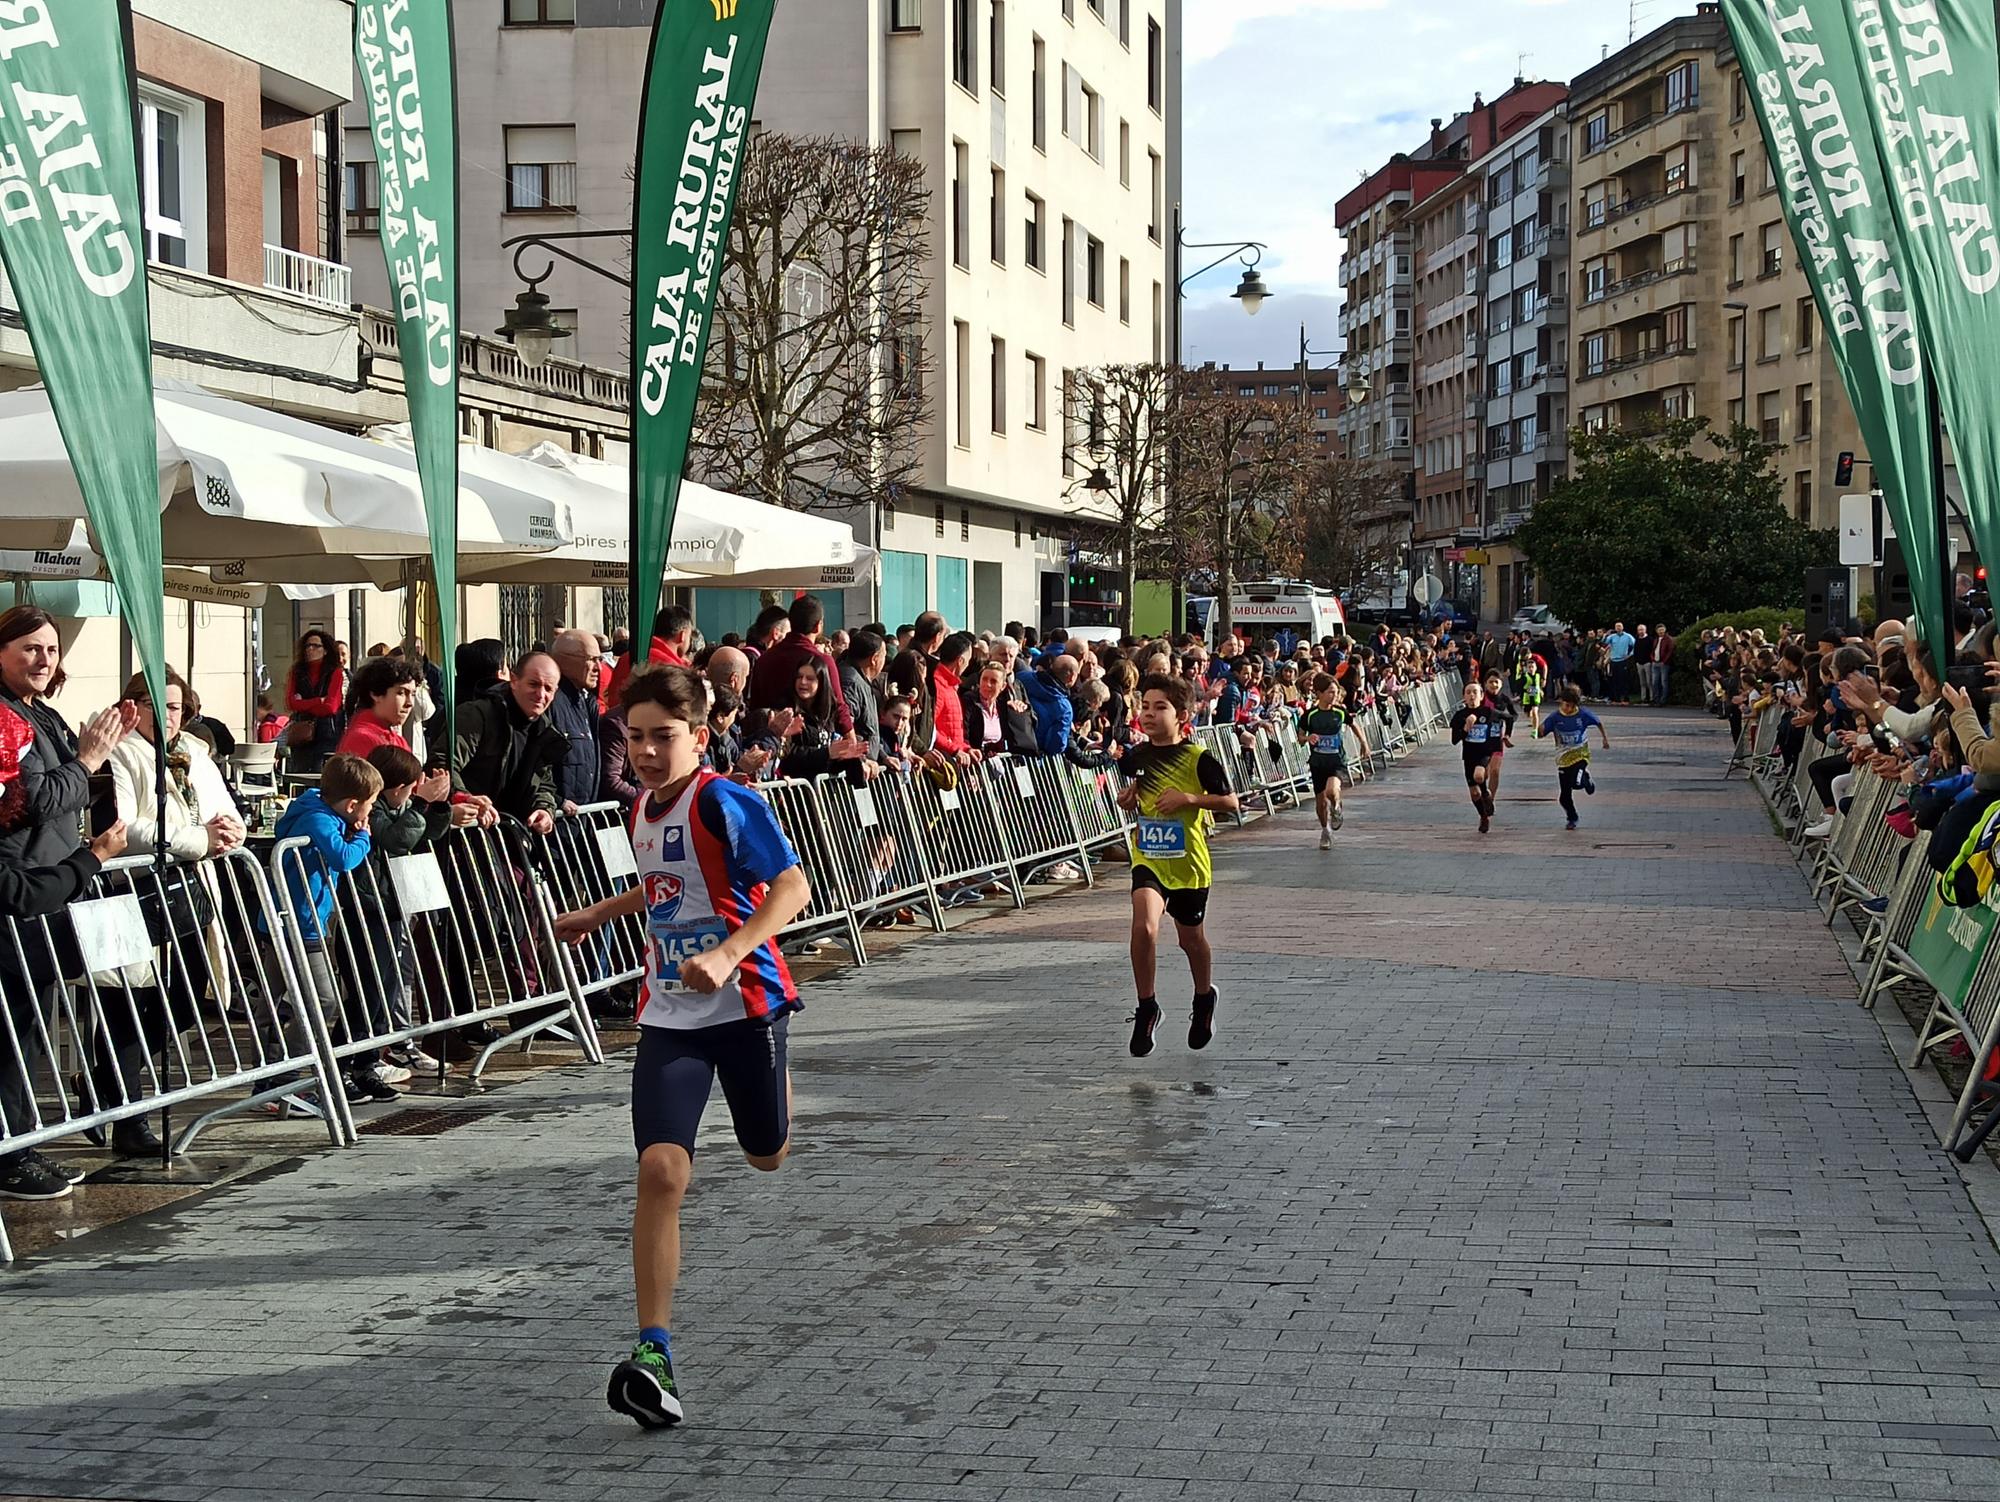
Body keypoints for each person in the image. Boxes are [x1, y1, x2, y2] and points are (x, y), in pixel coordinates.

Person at [554, 666, 811, 1430]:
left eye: (662, 737)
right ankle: (654, 1352)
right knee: (661, 1171)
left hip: (748, 1006)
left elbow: (792, 888)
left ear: (700, 737)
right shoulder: (639, 808)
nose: (645, 751)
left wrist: (731, 954)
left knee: (767, 1155)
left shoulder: (728, 799)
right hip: (670, 1016)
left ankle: (780, 1088)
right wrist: (603, 911)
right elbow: (668, 884)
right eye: (633, 737)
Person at [0, 606, 137, 1197]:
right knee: (15, 1028)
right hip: (22, 883)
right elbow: (27, 800)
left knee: (36, 1024)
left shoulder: (41, 714)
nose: (43, 659)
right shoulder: (5, 719)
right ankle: (12, 1153)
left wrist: (104, 750)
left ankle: (25, 1142)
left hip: (54, 881)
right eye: (30, 648)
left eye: (51, 650)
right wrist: (87, 759)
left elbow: (74, 785)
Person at [91, 669, 245, 1153]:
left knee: (190, 995)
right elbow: (120, 827)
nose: (167, 715)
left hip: (189, 890)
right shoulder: (116, 752)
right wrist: (198, 840)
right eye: (155, 705)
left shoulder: (195, 753)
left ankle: (101, 1083)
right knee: (126, 1004)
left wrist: (232, 831)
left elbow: (225, 807)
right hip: (129, 889)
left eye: (176, 706)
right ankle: (128, 1120)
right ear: (131, 707)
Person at [1117, 674, 1238, 1059]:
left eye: (1160, 707)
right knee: (1145, 926)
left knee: (1190, 940)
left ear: (1182, 715)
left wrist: (1189, 798)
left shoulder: (1198, 759)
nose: (1148, 714)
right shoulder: (1135, 757)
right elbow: (1137, 790)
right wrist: (1129, 798)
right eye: (1145, 706)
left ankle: (1204, 998)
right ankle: (1147, 1006)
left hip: (1187, 864)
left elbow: (1231, 802)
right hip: (1149, 858)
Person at [267, 753, 388, 1100]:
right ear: (352, 805)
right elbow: (343, 858)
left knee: (280, 1001)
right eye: (370, 806)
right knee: (324, 999)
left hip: (302, 918)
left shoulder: (318, 811)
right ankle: (288, 1074)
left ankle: (275, 1077)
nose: (370, 813)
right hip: (299, 922)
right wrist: (363, 837)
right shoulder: (319, 821)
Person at [452, 653, 569, 834]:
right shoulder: (478, 715)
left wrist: (545, 810)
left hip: (513, 837)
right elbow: (444, 766)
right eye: (533, 684)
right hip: (469, 834)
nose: (540, 694)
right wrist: (466, 799)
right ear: (514, 680)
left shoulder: (544, 730)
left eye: (548, 688)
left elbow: (544, 782)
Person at [746, 595, 853, 736]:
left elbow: (755, 705)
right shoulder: (822, 662)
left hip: (769, 742)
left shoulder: (764, 659)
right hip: (811, 742)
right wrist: (852, 741)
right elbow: (839, 707)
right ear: (818, 626)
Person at [1298, 673, 1367, 851]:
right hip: (1318, 762)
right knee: (1320, 803)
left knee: (1332, 791)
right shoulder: (1310, 715)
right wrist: (1308, 738)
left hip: (1336, 760)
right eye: (1330, 692)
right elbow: (1300, 737)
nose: (1334, 696)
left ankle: (1336, 807)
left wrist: (1364, 743)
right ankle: (1325, 830)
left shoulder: (1340, 712)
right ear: (1319, 693)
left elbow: (1353, 724)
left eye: (1336, 692)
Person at [1540, 685, 1611, 831]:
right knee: (1564, 797)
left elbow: (1598, 722)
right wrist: (1539, 731)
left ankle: (1585, 779)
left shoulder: (1582, 714)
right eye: (1566, 705)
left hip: (1580, 755)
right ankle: (1572, 818)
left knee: (1576, 782)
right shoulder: (1555, 717)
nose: (1568, 709)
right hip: (1563, 758)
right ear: (1561, 702)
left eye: (1571, 706)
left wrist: (1605, 739)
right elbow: (1542, 731)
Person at [549, 629, 606, 810]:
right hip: (556, 827)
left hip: (582, 823)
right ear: (565, 659)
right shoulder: (550, 701)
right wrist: (557, 801)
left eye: (600, 659)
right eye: (592, 659)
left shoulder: (586, 701)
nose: (599, 668)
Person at [336, 654, 425, 760]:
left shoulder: (395, 738)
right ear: (376, 694)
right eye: (401, 693)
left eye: (413, 694)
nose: (410, 702)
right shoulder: (362, 739)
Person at [1449, 680, 1509, 834]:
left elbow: (1509, 718)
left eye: (1475, 692)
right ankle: (1483, 816)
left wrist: (1506, 735)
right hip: (1469, 756)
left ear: (1481, 695)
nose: (1472, 696)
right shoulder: (1460, 716)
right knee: (1474, 793)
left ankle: (1486, 792)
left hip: (1484, 753)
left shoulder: (1488, 712)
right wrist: (1465, 728)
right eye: (1468, 693)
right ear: (1464, 696)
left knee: (1479, 776)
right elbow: (1454, 740)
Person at [285, 628, 346, 774]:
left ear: (325, 650)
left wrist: (304, 704)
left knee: (322, 775)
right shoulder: (297, 672)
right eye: (307, 646)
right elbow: (291, 703)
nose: (310, 649)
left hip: (327, 733)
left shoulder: (334, 673)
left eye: (315, 646)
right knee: (300, 774)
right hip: (301, 734)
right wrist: (319, 701)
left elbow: (331, 707)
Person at [609, 605, 695, 704]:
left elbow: (612, 698)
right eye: (689, 636)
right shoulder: (674, 669)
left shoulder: (626, 658)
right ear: (682, 635)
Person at [1603, 621, 1637, 705]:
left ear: (1622, 627)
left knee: (1624, 680)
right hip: (1614, 660)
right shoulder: (1612, 636)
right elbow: (1604, 643)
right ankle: (1616, 699)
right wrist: (1605, 635)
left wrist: (1630, 654)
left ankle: (1625, 699)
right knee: (1614, 680)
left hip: (1623, 661)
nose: (1618, 628)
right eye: (1616, 626)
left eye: (1619, 626)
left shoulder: (1628, 636)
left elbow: (1635, 645)